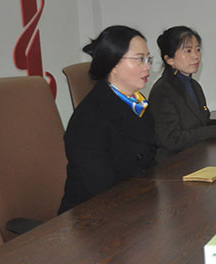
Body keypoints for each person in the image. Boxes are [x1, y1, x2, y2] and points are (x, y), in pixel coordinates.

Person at [59, 26, 157, 213]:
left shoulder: (138, 104)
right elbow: (102, 191)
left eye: (148, 59)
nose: (147, 66)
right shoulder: (89, 120)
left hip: (135, 205)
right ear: (113, 64)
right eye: (139, 59)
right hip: (92, 218)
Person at [149, 26, 216, 161]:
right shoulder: (162, 91)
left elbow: (202, 123)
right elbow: (172, 139)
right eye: (188, 51)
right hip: (173, 165)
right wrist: (215, 130)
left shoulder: (194, 86)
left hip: (197, 158)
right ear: (169, 59)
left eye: (198, 50)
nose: (196, 56)